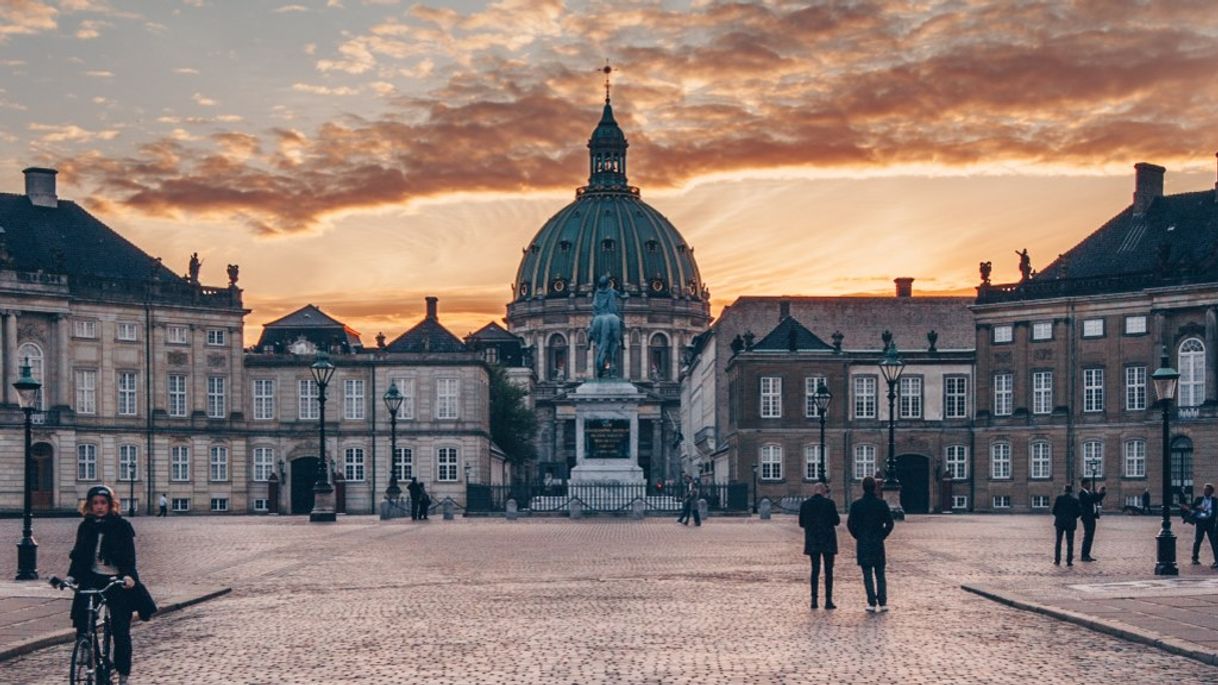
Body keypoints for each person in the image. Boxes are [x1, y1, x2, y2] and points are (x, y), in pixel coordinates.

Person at [64, 485, 153, 685]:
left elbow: (129, 557)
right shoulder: (86, 526)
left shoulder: (121, 526)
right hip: (93, 577)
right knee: (82, 612)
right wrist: (71, 577)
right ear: (89, 505)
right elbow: (79, 556)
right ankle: (86, 646)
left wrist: (129, 576)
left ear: (111, 505)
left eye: (103, 503)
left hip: (117, 580)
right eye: (95, 503)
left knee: (120, 630)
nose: (99, 507)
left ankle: (123, 673)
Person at [847, 476, 895, 612]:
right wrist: (882, 535)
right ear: (875, 487)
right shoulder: (881, 504)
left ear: (863, 487)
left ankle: (871, 603)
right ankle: (883, 602)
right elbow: (890, 523)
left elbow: (850, 524)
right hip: (877, 543)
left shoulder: (856, 505)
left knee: (867, 574)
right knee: (880, 574)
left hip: (863, 542)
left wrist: (859, 536)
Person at [799, 482, 839, 609]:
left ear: (814, 491)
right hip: (828, 540)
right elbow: (836, 521)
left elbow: (801, 523)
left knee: (814, 570)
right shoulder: (830, 504)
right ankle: (828, 600)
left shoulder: (805, 504)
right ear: (823, 491)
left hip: (813, 540)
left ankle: (814, 600)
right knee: (828, 571)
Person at [1187, 483, 1218, 567]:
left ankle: (1216, 560)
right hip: (1200, 522)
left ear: (1211, 491)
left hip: (1210, 523)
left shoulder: (1215, 501)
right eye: (1204, 490)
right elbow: (1192, 508)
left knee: (1214, 541)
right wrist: (1198, 507)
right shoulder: (1199, 499)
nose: (1205, 491)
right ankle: (1195, 558)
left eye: (1207, 490)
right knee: (1198, 540)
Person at [1051, 484, 1082, 566]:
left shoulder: (1059, 498)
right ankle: (1069, 561)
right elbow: (1079, 512)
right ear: (1071, 491)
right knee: (1070, 543)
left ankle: (1057, 560)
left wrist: (1059, 516)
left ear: (1064, 490)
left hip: (1060, 522)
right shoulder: (1075, 500)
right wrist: (1072, 517)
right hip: (1070, 523)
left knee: (1058, 542)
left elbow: (1054, 511)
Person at [1077, 479, 1106, 562]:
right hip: (1087, 517)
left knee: (1090, 537)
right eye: (1088, 484)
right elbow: (1090, 500)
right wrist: (1097, 492)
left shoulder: (1089, 493)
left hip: (1092, 517)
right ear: (1084, 485)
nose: (1090, 485)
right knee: (1087, 536)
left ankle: (1087, 554)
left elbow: (1096, 499)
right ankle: (1084, 555)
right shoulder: (1082, 494)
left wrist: (1102, 493)